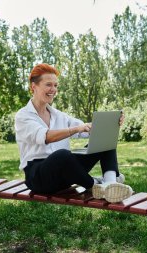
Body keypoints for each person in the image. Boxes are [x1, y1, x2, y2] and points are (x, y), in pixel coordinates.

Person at [15, 63, 133, 203]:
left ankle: (111, 184)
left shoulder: (58, 115)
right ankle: (96, 185)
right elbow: (45, 136)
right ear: (34, 86)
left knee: (104, 140)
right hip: (40, 178)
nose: (53, 89)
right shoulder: (23, 116)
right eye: (48, 85)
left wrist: (110, 123)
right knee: (62, 155)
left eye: (56, 85)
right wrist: (75, 129)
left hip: (65, 175)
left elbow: (85, 128)